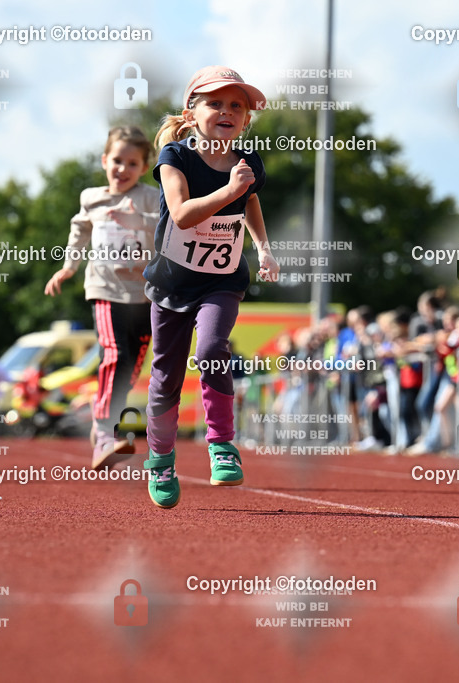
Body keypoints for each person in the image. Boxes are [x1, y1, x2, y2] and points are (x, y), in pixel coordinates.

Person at [140, 66, 279, 508]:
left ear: (245, 120)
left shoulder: (248, 163)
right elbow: (181, 215)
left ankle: (222, 446)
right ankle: (161, 461)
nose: (226, 111)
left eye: (236, 105)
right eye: (215, 102)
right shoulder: (174, 158)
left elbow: (250, 200)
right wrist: (228, 192)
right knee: (166, 376)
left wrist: (263, 248)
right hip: (171, 284)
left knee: (213, 349)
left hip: (221, 281)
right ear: (191, 113)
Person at [45, 126, 158, 469]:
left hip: (144, 294)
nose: (123, 169)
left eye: (133, 163)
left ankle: (105, 418)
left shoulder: (151, 198)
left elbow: (169, 226)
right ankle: (105, 431)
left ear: (143, 167)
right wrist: (68, 267)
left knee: (132, 365)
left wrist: (137, 219)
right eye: (117, 161)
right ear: (105, 160)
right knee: (114, 353)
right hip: (105, 289)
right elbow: (79, 230)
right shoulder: (91, 198)